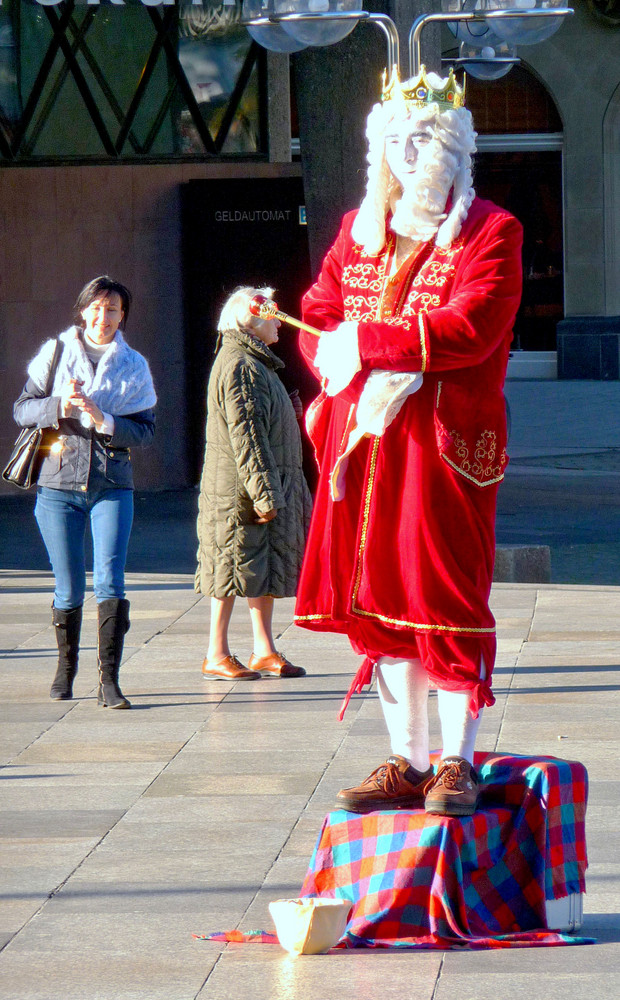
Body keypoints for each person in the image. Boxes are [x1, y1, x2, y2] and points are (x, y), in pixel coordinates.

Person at [294, 68, 524, 816]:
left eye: (422, 139)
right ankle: (407, 758)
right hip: (364, 448)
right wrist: (331, 346)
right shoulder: (360, 234)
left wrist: (364, 340)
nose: (406, 153)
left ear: (453, 149)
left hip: (439, 446)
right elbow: (322, 308)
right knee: (380, 602)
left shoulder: (493, 230)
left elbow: (471, 326)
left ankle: (455, 761)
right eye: (394, 140)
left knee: (445, 595)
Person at [13, 276, 156, 709]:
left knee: (111, 578)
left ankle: (109, 681)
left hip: (112, 485)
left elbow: (145, 431)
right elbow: (22, 409)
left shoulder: (134, 365)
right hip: (58, 485)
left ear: (123, 316)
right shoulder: (54, 354)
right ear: (83, 311)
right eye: (96, 308)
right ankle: (65, 669)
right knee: (69, 586)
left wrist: (104, 418)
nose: (103, 317)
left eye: (112, 310)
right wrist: (62, 406)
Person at [195, 286, 313, 680]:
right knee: (230, 567)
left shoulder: (256, 362)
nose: (278, 321)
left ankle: (264, 649)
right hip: (239, 489)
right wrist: (265, 494)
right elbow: (247, 435)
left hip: (255, 483)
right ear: (252, 316)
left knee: (255, 566)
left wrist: (287, 412)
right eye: (272, 314)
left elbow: (261, 423)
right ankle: (216, 651)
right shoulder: (241, 364)